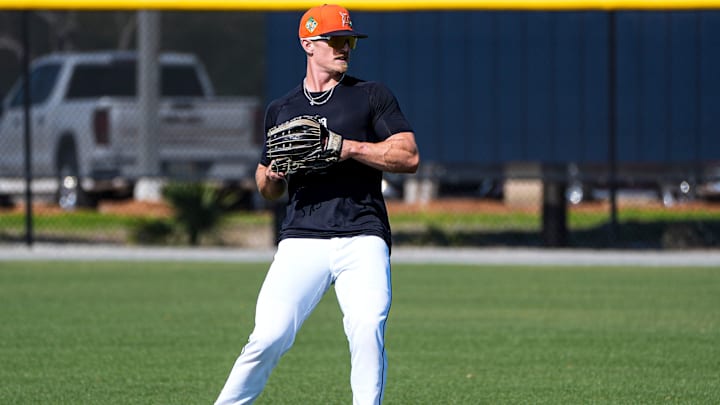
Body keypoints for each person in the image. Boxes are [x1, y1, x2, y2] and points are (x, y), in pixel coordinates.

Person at [214, 4, 419, 404]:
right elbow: (264, 182)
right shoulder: (283, 109)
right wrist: (272, 178)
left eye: (348, 40)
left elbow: (408, 156)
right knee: (268, 336)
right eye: (335, 40)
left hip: (363, 233)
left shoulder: (369, 96)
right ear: (309, 43)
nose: (344, 47)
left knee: (365, 327)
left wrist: (349, 147)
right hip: (302, 237)